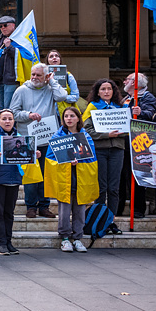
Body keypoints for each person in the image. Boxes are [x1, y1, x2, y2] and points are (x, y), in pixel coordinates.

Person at [0, 109, 42, 255]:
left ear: (14, 121)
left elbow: (25, 159)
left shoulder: (21, 138)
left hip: (14, 179)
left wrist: (34, 155)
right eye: (4, 119)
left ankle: (8, 241)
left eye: (10, 119)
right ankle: (1, 243)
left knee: (9, 213)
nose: (7, 121)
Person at [10, 63, 68, 219]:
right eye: (33, 74)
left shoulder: (51, 89)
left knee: (46, 174)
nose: (35, 77)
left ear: (46, 76)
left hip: (47, 138)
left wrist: (53, 82)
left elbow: (62, 96)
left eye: (39, 75)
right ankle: (30, 206)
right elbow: (13, 113)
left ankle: (44, 206)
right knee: (30, 175)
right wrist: (28, 115)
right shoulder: (21, 90)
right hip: (27, 139)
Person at [46, 106, 98, 252]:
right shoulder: (57, 137)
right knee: (64, 210)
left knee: (80, 210)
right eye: (66, 116)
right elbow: (50, 158)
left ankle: (77, 238)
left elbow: (92, 158)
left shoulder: (86, 137)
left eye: (72, 116)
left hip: (81, 177)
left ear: (78, 118)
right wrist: (66, 162)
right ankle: (64, 238)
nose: (69, 119)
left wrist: (79, 161)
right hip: (64, 178)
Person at [82, 78, 126, 235]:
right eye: (103, 89)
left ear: (114, 91)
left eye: (109, 89)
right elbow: (87, 131)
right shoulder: (92, 107)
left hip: (117, 150)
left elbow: (130, 128)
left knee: (114, 188)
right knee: (101, 187)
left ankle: (111, 221)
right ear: (97, 92)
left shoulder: (121, 107)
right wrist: (107, 134)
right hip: (100, 150)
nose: (106, 92)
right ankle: (99, 220)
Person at [122, 72, 156, 219]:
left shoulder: (147, 97)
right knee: (124, 175)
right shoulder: (126, 98)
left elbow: (153, 114)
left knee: (137, 175)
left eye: (127, 79)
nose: (124, 82)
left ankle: (138, 209)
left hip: (139, 142)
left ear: (135, 84)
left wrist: (141, 112)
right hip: (125, 139)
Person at [0, 16, 20, 108]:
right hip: (0, 78)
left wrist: (9, 47)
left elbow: (21, 57)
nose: (3, 28)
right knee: (0, 106)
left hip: (11, 79)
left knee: (9, 107)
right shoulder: (0, 39)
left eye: (5, 25)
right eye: (0, 26)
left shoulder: (20, 38)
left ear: (13, 25)